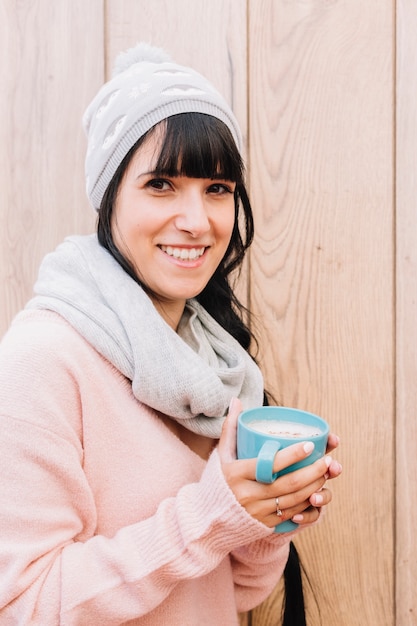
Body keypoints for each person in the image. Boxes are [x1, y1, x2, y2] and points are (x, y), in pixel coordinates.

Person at [0, 42, 342, 625]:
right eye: (161, 184)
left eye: (217, 189)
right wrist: (209, 515)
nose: (197, 220)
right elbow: (24, 606)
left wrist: (265, 515)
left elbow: (224, 595)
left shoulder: (211, 362)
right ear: (108, 198)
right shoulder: (45, 357)